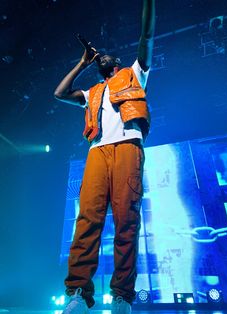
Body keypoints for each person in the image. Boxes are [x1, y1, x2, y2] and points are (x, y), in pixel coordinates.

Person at [54, 1, 155, 313]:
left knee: (127, 222)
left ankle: (122, 295)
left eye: (106, 55)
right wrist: (83, 62)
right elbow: (59, 92)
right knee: (87, 222)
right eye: (100, 56)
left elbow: (146, 37)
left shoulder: (134, 74)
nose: (104, 55)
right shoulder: (92, 92)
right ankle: (77, 293)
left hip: (127, 147)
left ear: (118, 62)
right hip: (97, 152)